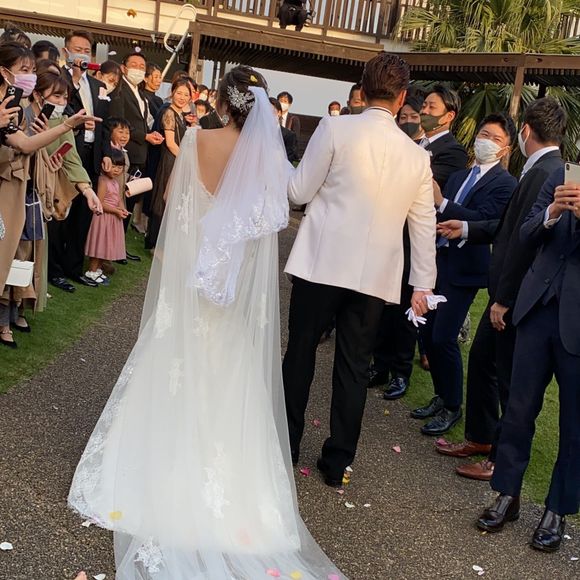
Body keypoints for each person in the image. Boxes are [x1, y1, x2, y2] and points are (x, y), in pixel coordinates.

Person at [68, 64, 345, 580]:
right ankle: (228, 485)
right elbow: (269, 220)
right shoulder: (267, 155)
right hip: (234, 285)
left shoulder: (196, 139)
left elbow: (174, 205)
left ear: (219, 101)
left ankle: (159, 466)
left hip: (193, 275)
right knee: (227, 369)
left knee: (176, 358)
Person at [282, 52, 437, 486]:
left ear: (362, 90)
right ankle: (337, 462)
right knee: (354, 365)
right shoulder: (416, 157)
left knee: (301, 353)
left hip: (321, 263)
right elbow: (423, 224)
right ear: (402, 98)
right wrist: (423, 284)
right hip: (373, 276)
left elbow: (298, 192)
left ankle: (286, 444)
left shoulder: (335, 128)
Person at [436, 97, 567, 479]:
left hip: (515, 297)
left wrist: (505, 300)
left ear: (524, 131)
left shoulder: (544, 171)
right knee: (483, 361)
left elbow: (525, 243)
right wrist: (467, 228)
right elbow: (508, 226)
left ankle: (499, 460)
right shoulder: (539, 168)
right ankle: (481, 437)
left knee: (509, 379)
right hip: (507, 291)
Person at [476, 167, 580, 553]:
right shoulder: (563, 176)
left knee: (574, 424)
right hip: (536, 310)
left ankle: (557, 509)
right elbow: (525, 233)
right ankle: (507, 493)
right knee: (518, 409)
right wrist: (553, 211)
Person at [412, 113, 517, 436]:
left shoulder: (506, 184)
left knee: (444, 336)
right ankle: (442, 394)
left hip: (465, 270)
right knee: (427, 333)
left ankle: (453, 405)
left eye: (496, 139)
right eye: (484, 134)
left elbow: (485, 220)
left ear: (506, 148)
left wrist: (442, 203)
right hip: (437, 262)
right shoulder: (459, 176)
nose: (487, 142)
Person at [0, 44, 100, 347]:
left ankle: (16, 310)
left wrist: (85, 188)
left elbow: (33, 147)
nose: (60, 102)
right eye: (25, 71)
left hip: (29, 193)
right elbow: (22, 146)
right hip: (9, 190)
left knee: (25, 256)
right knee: (9, 256)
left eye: (32, 71)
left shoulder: (20, 113)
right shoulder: (14, 109)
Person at [367, 93, 426, 399]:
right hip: (385, 240)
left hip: (412, 245)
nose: (408, 122)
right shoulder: (389, 146)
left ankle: (401, 372)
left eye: (414, 117)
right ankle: (379, 365)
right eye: (403, 117)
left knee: (405, 315)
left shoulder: (436, 153)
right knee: (382, 310)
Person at [109, 51, 164, 243]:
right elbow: (119, 123)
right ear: (124, 68)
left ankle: (120, 244)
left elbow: (143, 121)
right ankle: (112, 245)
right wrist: (144, 136)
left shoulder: (139, 93)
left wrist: (151, 133)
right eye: (134, 65)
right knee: (119, 201)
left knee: (130, 203)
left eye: (142, 67)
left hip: (140, 155)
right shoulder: (120, 91)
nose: (138, 70)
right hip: (125, 153)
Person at [145, 79, 190, 249]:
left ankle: (163, 241)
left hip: (177, 159)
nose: (182, 97)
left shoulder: (180, 114)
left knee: (172, 200)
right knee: (163, 198)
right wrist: (186, 160)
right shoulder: (169, 113)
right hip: (170, 159)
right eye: (179, 93)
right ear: (172, 93)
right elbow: (170, 143)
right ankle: (155, 242)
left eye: (186, 94)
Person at [84, 148, 128, 283]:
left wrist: (122, 209)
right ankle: (91, 270)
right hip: (103, 218)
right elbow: (100, 202)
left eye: (119, 167)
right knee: (99, 245)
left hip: (113, 218)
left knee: (106, 245)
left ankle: (98, 269)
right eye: (113, 166)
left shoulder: (115, 182)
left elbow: (119, 199)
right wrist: (115, 211)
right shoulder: (103, 181)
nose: (116, 170)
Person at [419, 85, 468, 189]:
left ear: (449, 116)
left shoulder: (454, 152)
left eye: (432, 107)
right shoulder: (413, 143)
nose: (424, 111)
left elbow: (428, 182)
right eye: (423, 106)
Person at [270, 96, 299, 163]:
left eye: (272, 111)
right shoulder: (257, 132)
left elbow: (288, 158)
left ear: (279, 113)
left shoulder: (289, 135)